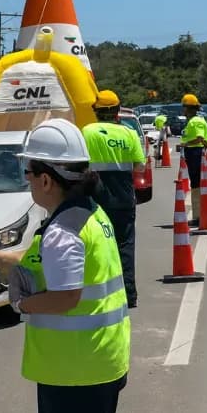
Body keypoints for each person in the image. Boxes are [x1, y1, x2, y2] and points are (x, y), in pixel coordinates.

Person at [0, 118, 131, 413]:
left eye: (28, 173)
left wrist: (21, 304)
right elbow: (46, 262)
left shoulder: (61, 232)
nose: (27, 180)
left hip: (74, 371)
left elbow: (65, 297)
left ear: (46, 180)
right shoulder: (90, 215)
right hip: (101, 360)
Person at [81, 90, 146, 308]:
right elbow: (140, 166)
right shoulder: (128, 133)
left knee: (96, 246)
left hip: (95, 198)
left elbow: (79, 165)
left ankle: (101, 293)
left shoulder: (88, 132)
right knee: (125, 246)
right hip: (124, 196)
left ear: (96, 112)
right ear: (117, 111)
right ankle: (129, 295)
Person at [180, 93, 207, 226]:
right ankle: (198, 215)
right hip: (194, 153)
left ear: (189, 108)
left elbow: (200, 138)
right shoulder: (193, 121)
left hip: (195, 154)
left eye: (185, 107)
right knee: (195, 185)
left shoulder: (196, 121)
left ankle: (198, 216)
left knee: (196, 186)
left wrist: (186, 144)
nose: (183, 110)